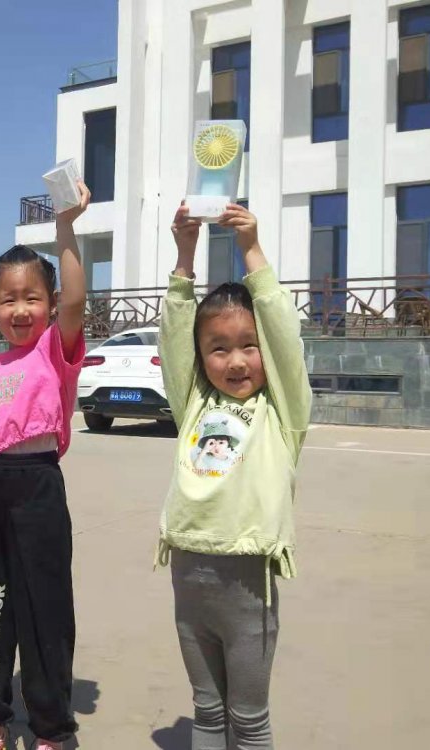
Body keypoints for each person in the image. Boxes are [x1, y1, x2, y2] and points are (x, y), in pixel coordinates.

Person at [155, 203, 312, 749]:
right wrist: (184, 255)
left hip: (248, 582)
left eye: (249, 345)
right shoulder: (194, 404)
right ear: (201, 359)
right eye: (218, 349)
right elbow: (174, 335)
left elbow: (284, 337)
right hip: (188, 571)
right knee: (206, 707)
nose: (237, 361)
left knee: (247, 717)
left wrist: (252, 251)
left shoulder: (282, 411)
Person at [0, 181, 91, 750]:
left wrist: (65, 227)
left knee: (44, 609)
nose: (20, 309)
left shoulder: (52, 352)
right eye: (8, 300)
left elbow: (78, 301)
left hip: (38, 489)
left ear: (50, 304)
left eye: (32, 297)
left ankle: (51, 727)